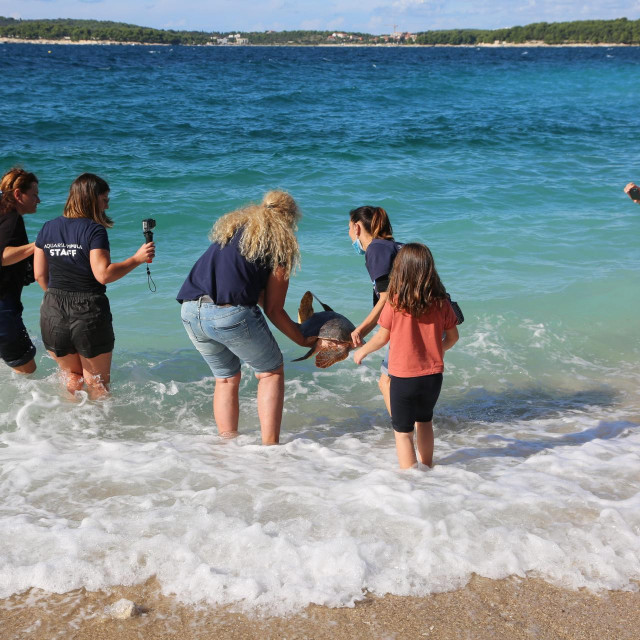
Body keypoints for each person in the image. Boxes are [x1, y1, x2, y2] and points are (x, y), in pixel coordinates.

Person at [177, 190, 315, 445]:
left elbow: (249, 287)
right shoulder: (279, 242)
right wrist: (303, 339)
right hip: (228, 314)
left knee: (227, 378)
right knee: (271, 373)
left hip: (190, 311)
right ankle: (270, 447)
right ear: (289, 219)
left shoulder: (233, 230)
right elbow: (273, 309)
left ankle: (227, 445)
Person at [33, 173, 155, 398]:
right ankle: (101, 431)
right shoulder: (93, 230)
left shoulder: (47, 228)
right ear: (91, 199)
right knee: (97, 383)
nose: (107, 203)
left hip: (52, 309)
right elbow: (103, 275)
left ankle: (69, 430)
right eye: (104, 198)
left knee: (72, 378)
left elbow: (39, 274)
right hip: (87, 310)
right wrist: (137, 259)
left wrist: (58, 300)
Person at [353, 243, 459, 470]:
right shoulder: (441, 302)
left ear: (399, 269)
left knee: (402, 433)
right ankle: (428, 468)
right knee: (425, 422)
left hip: (403, 378)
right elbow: (452, 337)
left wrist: (362, 350)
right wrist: (436, 352)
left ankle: (411, 481)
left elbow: (382, 338)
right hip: (432, 377)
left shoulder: (395, 302)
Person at [348, 205, 402, 414]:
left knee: (386, 382)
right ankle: (417, 429)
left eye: (349, 229)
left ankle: (403, 434)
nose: (349, 235)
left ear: (357, 227)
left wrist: (361, 330)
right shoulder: (395, 246)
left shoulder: (376, 249)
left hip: (409, 323)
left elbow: (388, 299)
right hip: (432, 320)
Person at [0, 168, 40, 374]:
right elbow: (3, 256)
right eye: (34, 194)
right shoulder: (11, 218)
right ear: (18, 194)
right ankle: (29, 405)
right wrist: (38, 244)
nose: (38, 200)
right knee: (27, 371)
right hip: (3, 306)